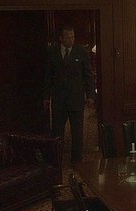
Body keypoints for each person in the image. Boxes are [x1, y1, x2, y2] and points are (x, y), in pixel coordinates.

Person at [43, 25, 96, 164]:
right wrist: (46, 97)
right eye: (67, 37)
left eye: (72, 37)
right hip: (59, 100)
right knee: (57, 132)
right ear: (61, 38)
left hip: (76, 99)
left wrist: (90, 95)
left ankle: (76, 161)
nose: (71, 40)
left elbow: (88, 75)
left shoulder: (82, 52)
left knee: (77, 132)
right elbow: (48, 77)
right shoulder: (52, 52)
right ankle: (56, 160)